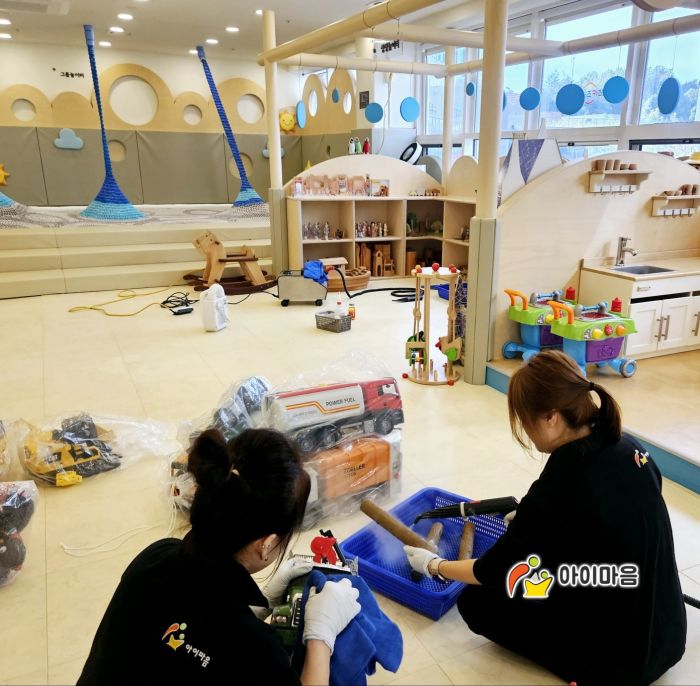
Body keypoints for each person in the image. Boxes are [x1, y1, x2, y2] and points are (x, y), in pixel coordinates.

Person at [404, 350, 686, 686]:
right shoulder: (627, 445)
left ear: (551, 417)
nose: (524, 429)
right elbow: (606, 517)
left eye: (525, 420)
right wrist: (539, 520)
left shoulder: (565, 478)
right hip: (669, 632)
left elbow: (491, 570)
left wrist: (435, 565)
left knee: (478, 601)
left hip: (620, 663)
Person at [78, 428, 360, 685]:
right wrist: (321, 635)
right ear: (267, 543)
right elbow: (221, 637)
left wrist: (260, 606)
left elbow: (191, 622)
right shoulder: (256, 650)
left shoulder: (155, 556)